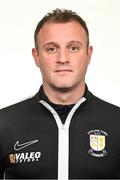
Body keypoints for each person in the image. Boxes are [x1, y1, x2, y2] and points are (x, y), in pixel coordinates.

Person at [0, 8, 120, 180]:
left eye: (73, 48)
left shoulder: (117, 122)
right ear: (36, 56)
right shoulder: (3, 124)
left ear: (88, 54)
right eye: (51, 49)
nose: (62, 58)